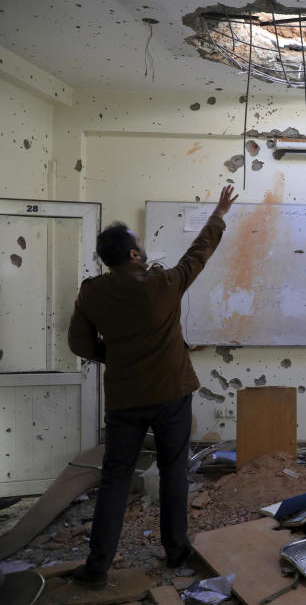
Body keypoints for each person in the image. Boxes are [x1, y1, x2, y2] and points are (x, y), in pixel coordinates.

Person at [67, 185, 238, 588]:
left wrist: (117, 358)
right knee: (174, 472)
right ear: (133, 255)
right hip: (171, 393)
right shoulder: (163, 283)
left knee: (115, 479)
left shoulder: (93, 292)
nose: (143, 248)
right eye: (139, 244)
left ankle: (96, 568)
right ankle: (176, 552)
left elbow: (78, 342)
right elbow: (199, 255)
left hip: (125, 399)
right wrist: (217, 215)